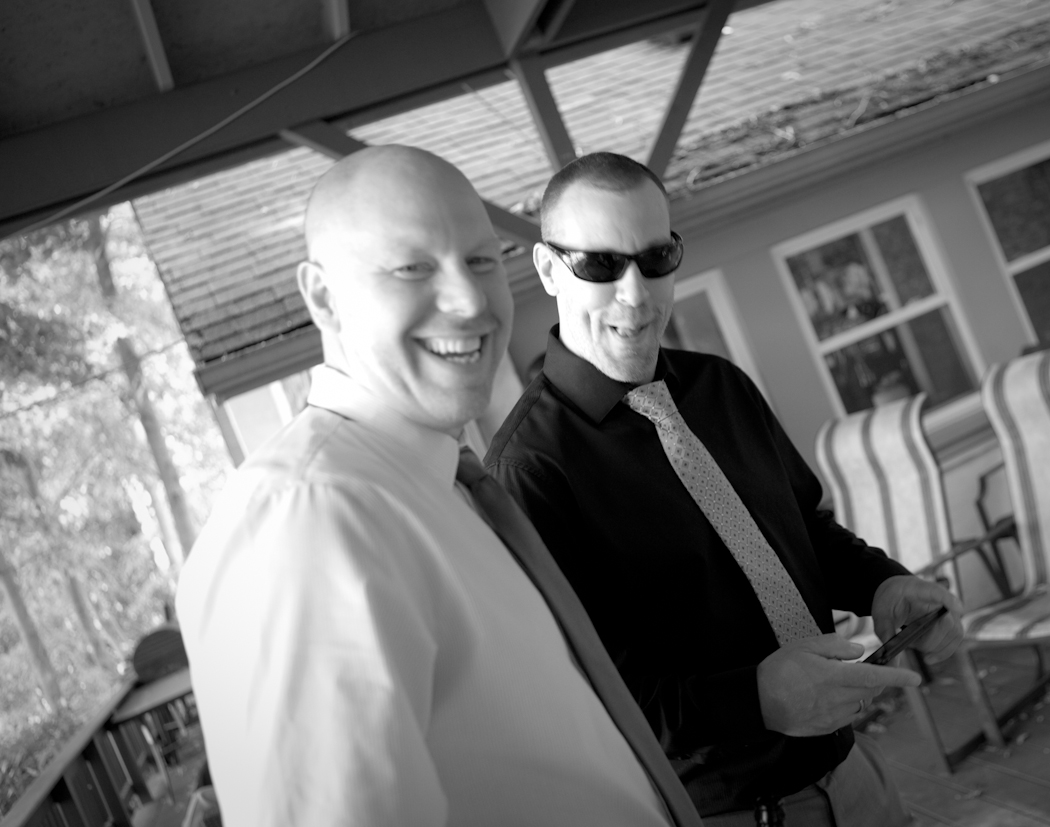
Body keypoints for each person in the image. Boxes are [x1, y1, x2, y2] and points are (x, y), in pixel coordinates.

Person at [176, 146, 703, 827]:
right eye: (412, 267)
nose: (470, 300)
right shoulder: (306, 517)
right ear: (323, 298)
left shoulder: (444, 487)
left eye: (480, 261)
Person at [484, 152, 964, 826]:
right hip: (732, 812)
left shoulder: (721, 386)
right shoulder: (529, 470)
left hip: (856, 773)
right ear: (547, 269)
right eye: (600, 265)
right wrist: (756, 699)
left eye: (656, 258)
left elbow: (804, 529)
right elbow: (585, 696)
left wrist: (884, 584)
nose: (635, 293)